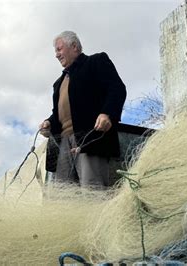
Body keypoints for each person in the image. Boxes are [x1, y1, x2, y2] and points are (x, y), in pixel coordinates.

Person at [39, 31, 126, 189]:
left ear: (74, 47)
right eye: (55, 51)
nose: (56, 55)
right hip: (63, 144)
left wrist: (107, 113)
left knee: (92, 191)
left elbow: (117, 89)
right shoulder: (58, 83)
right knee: (61, 194)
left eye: (59, 49)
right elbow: (57, 114)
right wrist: (48, 123)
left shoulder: (96, 61)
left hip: (90, 139)